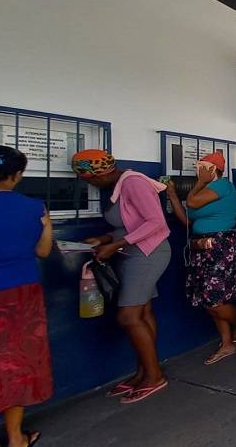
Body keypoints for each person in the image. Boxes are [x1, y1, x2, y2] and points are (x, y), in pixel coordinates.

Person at [73, 149, 171, 404]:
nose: (91, 185)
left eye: (91, 179)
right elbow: (127, 225)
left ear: (101, 173)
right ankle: (144, 371)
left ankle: (154, 376)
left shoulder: (133, 182)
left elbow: (156, 222)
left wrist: (115, 245)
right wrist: (105, 239)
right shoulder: (120, 186)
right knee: (143, 312)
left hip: (147, 254)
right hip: (131, 254)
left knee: (128, 316)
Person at [0, 146, 54, 447]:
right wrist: (46, 225)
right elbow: (43, 251)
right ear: (17, 175)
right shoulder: (33, 208)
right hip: (22, 294)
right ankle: (15, 437)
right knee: (19, 361)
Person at [166, 152, 236, 365]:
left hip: (221, 247)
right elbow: (187, 221)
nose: (196, 172)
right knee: (207, 297)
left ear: (212, 170)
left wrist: (200, 182)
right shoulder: (204, 190)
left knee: (213, 300)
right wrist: (172, 195)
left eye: (201, 168)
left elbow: (191, 203)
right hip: (200, 248)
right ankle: (227, 342)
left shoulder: (222, 186)